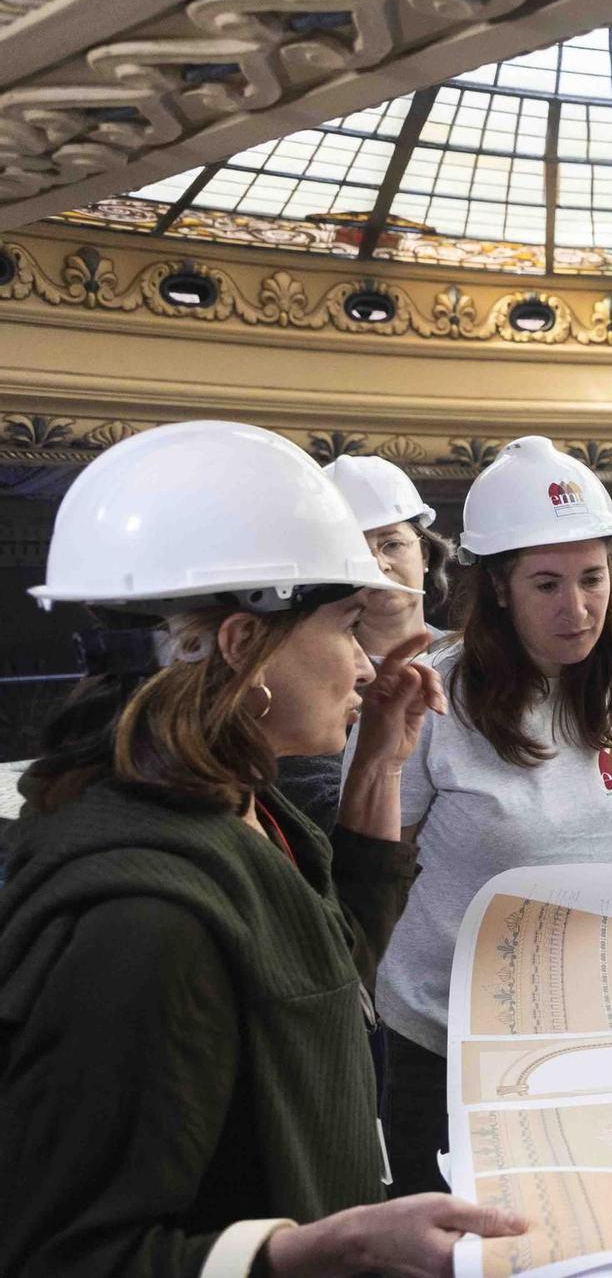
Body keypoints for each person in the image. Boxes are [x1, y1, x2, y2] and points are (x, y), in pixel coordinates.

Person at [0, 420, 527, 1276]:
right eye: (347, 625)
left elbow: (325, 965)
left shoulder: (236, 806)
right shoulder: (142, 920)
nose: (364, 665)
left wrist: (381, 766)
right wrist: (320, 1248)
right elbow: (64, 1253)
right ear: (244, 645)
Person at [375, 435, 612, 1197]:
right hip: (442, 1041)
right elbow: (379, 867)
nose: (578, 607)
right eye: (546, 584)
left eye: (593, 578)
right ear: (499, 587)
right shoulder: (434, 696)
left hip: (568, 1037)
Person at [278, 454, 453, 835]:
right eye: (358, 552)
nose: (378, 564)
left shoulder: (476, 658)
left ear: (424, 553)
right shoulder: (309, 675)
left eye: (391, 544)